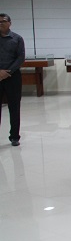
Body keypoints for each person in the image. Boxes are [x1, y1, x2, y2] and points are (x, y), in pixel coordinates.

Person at [0, 13, 25, 147]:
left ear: (10, 23)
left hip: (13, 76)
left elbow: (20, 58)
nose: (1, 24)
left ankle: (14, 136)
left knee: (14, 107)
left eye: (3, 21)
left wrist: (7, 72)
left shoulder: (17, 39)